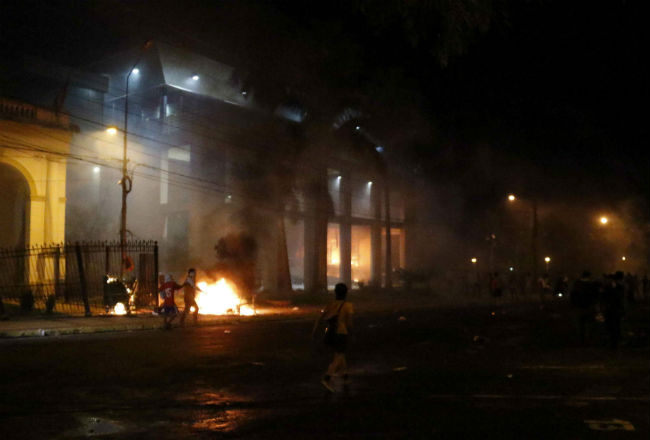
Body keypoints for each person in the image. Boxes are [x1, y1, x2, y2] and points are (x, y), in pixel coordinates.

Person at [312, 283, 354, 392]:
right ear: (346, 293)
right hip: (342, 333)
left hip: (331, 333)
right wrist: (352, 333)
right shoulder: (348, 305)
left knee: (340, 354)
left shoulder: (330, 304)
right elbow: (349, 323)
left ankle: (345, 376)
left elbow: (320, 317)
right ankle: (327, 377)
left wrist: (314, 331)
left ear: (335, 292)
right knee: (339, 356)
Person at [570, 271, 598, 344]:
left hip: (578, 307)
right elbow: (594, 296)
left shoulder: (576, 284)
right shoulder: (591, 285)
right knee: (588, 324)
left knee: (580, 324)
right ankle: (588, 339)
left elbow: (572, 295)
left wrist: (573, 304)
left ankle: (581, 339)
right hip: (588, 306)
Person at [602, 272, 625, 349]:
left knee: (613, 326)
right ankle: (614, 342)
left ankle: (614, 342)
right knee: (614, 326)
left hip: (612, 309)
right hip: (614, 309)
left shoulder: (613, 287)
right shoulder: (617, 287)